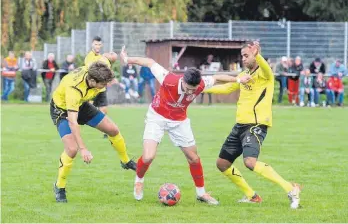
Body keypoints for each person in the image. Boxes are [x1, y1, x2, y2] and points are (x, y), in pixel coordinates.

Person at [119, 46, 252, 205]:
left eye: (193, 90)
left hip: (179, 121)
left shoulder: (201, 84)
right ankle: (139, 180)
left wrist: (238, 79)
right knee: (148, 156)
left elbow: (216, 77)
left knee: (194, 158)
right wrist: (127, 59)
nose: (191, 92)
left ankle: (201, 194)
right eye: (188, 89)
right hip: (157, 117)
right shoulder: (168, 79)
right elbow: (149, 62)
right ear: (183, 81)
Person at [205, 41, 301, 209]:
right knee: (222, 164)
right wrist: (202, 89)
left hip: (256, 125)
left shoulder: (265, 74)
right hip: (240, 126)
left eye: (246, 55)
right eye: (242, 56)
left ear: (255, 55)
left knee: (250, 162)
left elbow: (264, 67)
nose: (243, 59)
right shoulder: (244, 74)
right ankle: (252, 196)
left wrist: (257, 54)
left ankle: (291, 188)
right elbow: (228, 88)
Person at [51, 61, 136, 203]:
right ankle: (59, 186)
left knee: (113, 129)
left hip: (81, 105)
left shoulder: (94, 70)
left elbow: (109, 58)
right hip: (62, 110)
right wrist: (83, 149)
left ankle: (125, 161)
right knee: (72, 149)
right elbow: (73, 121)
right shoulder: (74, 90)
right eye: (103, 84)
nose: (105, 86)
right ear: (92, 81)